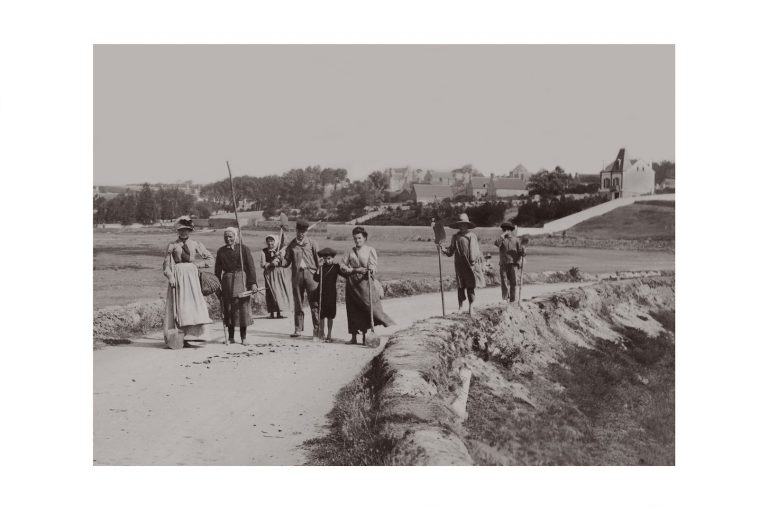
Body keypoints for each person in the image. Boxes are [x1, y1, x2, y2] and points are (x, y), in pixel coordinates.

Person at [162, 216, 214, 346]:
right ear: (177, 231)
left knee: (192, 306)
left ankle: (193, 335)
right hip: (178, 277)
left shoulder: (196, 244)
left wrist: (197, 265)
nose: (183, 232)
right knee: (180, 306)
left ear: (190, 230)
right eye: (181, 230)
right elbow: (166, 266)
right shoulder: (172, 245)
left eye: (186, 230)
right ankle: (178, 336)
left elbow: (210, 260)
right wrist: (170, 277)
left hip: (192, 277)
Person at [340, 226, 394, 345]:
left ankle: (366, 336)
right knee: (352, 309)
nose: (357, 241)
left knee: (367, 307)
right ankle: (353, 337)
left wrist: (371, 269)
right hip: (352, 283)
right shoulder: (349, 251)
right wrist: (351, 270)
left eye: (359, 238)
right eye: (355, 238)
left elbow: (374, 266)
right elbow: (342, 265)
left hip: (365, 282)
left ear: (364, 238)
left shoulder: (370, 250)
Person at [214, 226, 259, 345]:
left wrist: (253, 283)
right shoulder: (221, 251)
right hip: (227, 281)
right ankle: (231, 337)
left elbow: (251, 268)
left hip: (241, 280)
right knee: (228, 308)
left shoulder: (243, 249)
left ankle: (243, 337)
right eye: (226, 237)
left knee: (242, 308)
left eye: (230, 236)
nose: (228, 239)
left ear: (235, 237)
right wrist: (217, 286)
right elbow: (217, 271)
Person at [280, 219, 320, 338]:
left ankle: (317, 329)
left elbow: (319, 261)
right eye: (299, 231)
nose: (301, 233)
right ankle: (298, 329)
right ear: (296, 230)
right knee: (298, 303)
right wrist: (280, 258)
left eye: (303, 231)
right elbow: (286, 262)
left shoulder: (312, 243)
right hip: (297, 276)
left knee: (314, 303)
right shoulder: (292, 244)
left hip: (311, 275)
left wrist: (319, 273)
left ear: (306, 232)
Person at [440, 213, 483, 316]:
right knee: (460, 286)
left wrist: (472, 263)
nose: (462, 227)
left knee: (470, 286)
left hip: (469, 265)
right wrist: (443, 249)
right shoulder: (455, 237)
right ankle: (460, 307)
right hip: (459, 265)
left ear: (467, 225)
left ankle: (471, 307)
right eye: (460, 225)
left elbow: (474, 251)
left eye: (464, 224)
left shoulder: (471, 236)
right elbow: (451, 251)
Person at [314, 248, 343, 343]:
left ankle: (329, 334)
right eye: (325, 259)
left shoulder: (336, 267)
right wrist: (318, 267)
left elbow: (344, 274)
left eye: (329, 258)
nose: (327, 260)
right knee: (321, 314)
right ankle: (322, 333)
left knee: (330, 315)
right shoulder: (321, 267)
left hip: (331, 294)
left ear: (333, 258)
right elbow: (316, 279)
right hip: (321, 293)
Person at [259, 235, 291, 319]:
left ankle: (279, 313)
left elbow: (284, 262)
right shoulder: (263, 251)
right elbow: (262, 264)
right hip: (269, 274)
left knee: (278, 292)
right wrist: (270, 264)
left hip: (278, 274)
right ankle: (272, 313)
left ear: (275, 241)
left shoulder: (279, 250)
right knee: (270, 293)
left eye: (272, 241)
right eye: (268, 241)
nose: (270, 243)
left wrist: (279, 256)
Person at [494, 221, 526, 303]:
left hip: (513, 264)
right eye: (504, 229)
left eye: (507, 229)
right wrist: (502, 236)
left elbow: (521, 253)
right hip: (503, 264)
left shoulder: (517, 240)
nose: (505, 231)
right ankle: (505, 298)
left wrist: (523, 253)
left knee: (513, 282)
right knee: (504, 282)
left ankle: (513, 299)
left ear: (510, 230)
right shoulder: (502, 240)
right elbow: (496, 244)